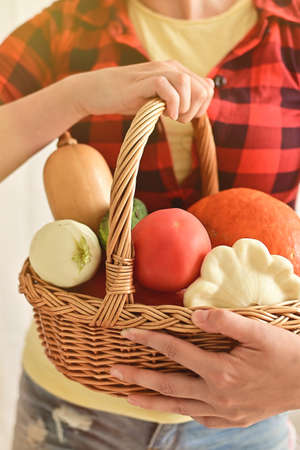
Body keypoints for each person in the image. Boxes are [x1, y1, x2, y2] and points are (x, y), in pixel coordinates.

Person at [0, 0, 299, 448]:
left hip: (244, 419)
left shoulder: (290, 26)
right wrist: (75, 96)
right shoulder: (70, 25)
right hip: (75, 410)